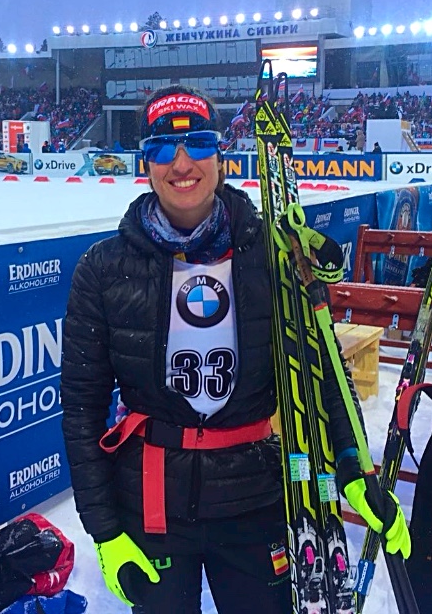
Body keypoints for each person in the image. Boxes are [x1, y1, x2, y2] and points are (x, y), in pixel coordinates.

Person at [61, 85, 409, 613]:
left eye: (198, 145)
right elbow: (82, 410)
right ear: (145, 164)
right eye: (161, 149)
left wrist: (353, 469)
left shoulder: (274, 253)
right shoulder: (103, 268)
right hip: (153, 507)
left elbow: (322, 373)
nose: (181, 164)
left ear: (220, 156)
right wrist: (104, 529)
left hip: (255, 500)